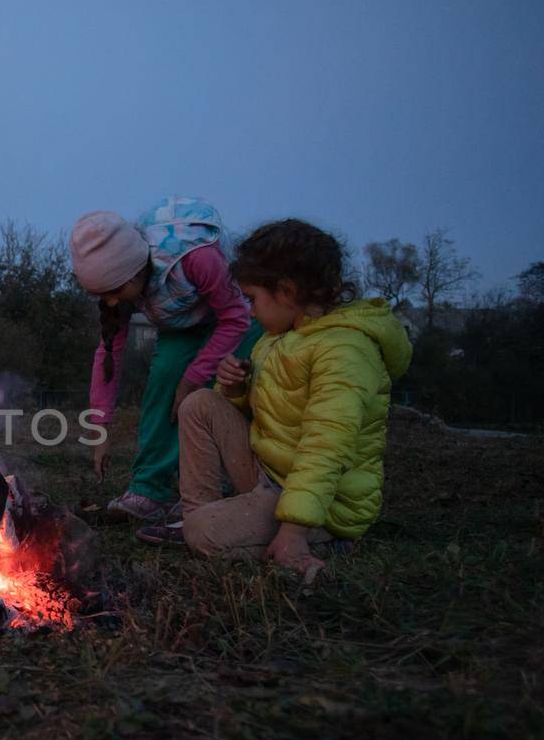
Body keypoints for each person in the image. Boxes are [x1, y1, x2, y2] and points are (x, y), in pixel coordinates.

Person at [137, 219, 412, 570]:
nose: (250, 311)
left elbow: (326, 448)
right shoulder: (280, 335)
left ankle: (327, 541)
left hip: (324, 505)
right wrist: (235, 389)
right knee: (200, 403)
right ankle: (194, 515)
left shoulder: (345, 352)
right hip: (270, 474)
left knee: (206, 532)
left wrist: (295, 530)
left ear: (285, 291)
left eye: (253, 299)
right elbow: (267, 408)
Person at [73, 197, 259, 523]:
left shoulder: (196, 257)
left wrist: (193, 379)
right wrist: (100, 431)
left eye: (115, 291)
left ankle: (235, 487)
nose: (112, 302)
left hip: (235, 318)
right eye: (103, 296)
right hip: (182, 324)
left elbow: (235, 316)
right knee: (163, 384)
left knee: (229, 392)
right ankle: (150, 491)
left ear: (134, 272)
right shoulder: (120, 289)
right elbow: (108, 354)